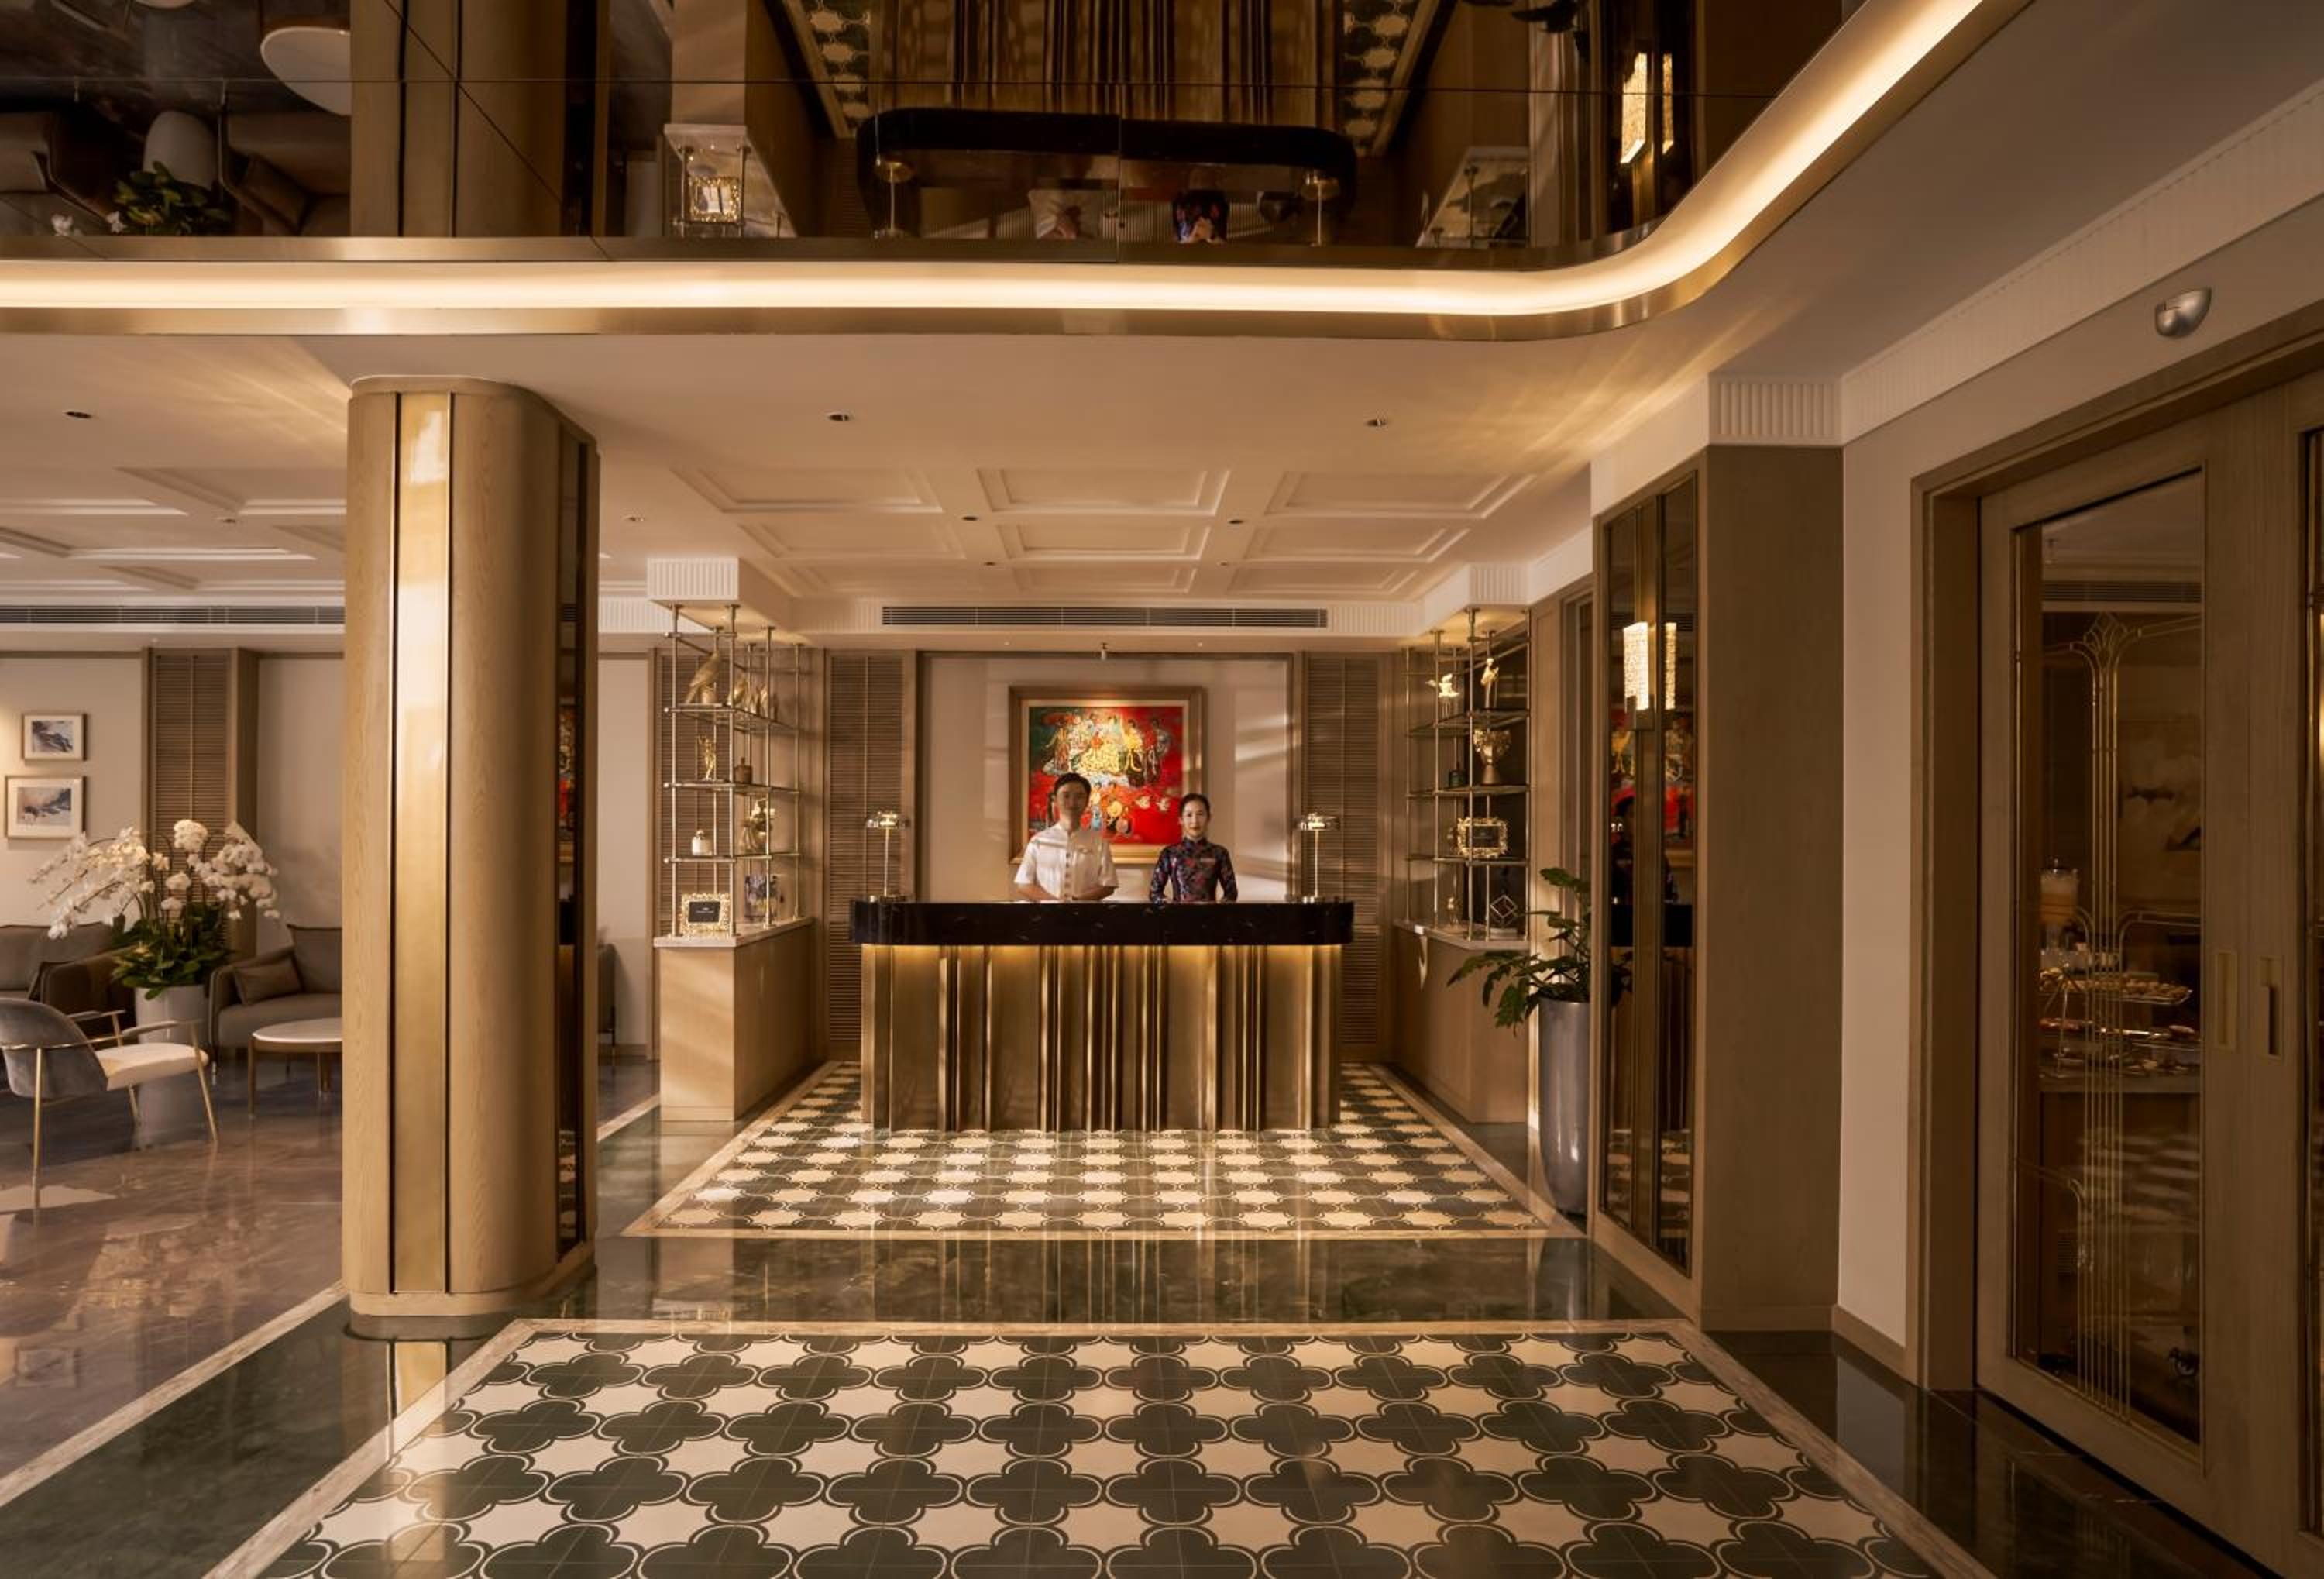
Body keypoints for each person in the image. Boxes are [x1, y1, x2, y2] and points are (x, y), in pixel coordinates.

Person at [1012, 772, 1117, 902]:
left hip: (1085, 912)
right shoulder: (1039, 841)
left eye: (1079, 796)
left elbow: (1108, 885)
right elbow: (1024, 884)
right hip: (1046, 912)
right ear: (1055, 799)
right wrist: (1055, 904)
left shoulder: (1098, 841)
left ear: (1087, 802)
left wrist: (1076, 902)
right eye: (1066, 796)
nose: (1072, 803)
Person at [1147, 793, 1238, 903]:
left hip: (1211, 914)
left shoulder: (1219, 853)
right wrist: (1170, 904)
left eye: (1200, 814)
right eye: (1189, 815)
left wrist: (1220, 906)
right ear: (1181, 819)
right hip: (1178, 913)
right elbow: (1154, 893)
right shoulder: (1170, 853)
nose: (1195, 821)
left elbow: (1231, 893)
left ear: (1209, 818)